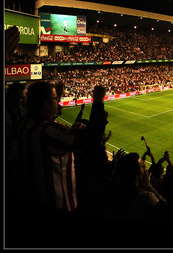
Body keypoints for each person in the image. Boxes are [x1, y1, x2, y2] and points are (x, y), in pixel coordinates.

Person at [17, 82, 108, 212]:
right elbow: (91, 141)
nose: (59, 102)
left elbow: (44, 115)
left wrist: (54, 96)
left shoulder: (25, 123)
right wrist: (98, 100)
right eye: (56, 99)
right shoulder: (47, 132)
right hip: (57, 202)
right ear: (47, 103)